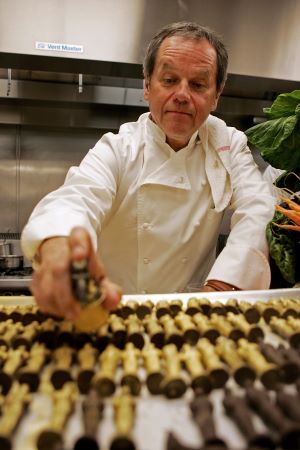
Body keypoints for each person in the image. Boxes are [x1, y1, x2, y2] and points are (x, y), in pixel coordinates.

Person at [21, 21, 275, 320]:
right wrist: (58, 249)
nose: (182, 94)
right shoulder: (119, 148)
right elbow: (76, 198)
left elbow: (259, 208)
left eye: (197, 84)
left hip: (192, 316)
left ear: (216, 95)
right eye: (169, 80)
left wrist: (221, 290)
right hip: (112, 314)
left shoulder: (228, 145)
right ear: (146, 86)